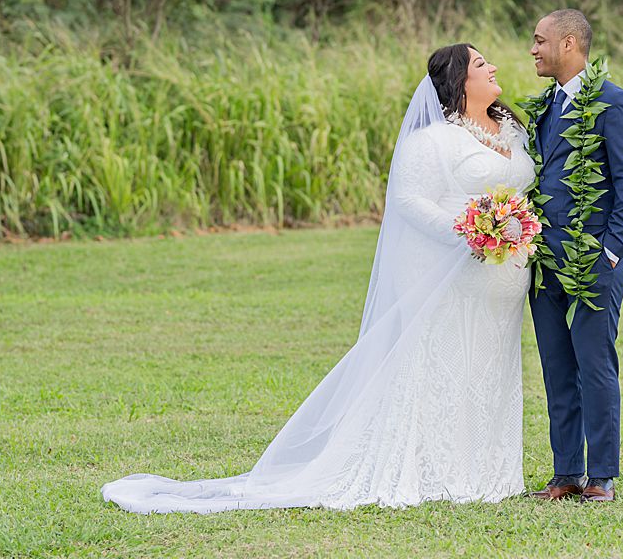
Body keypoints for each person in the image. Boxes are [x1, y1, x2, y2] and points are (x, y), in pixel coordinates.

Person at [101, 44, 534, 513]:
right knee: (446, 368)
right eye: (479, 63)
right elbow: (409, 202)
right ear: (457, 81)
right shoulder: (431, 141)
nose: (491, 67)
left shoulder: (512, 132)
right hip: (453, 278)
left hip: (506, 282)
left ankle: (487, 469)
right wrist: (467, 234)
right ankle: (436, 469)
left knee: (489, 370)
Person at [527, 9, 623, 503]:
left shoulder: (614, 104)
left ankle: (601, 475)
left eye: (539, 40)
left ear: (570, 43)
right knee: (557, 367)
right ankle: (565, 473)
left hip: (596, 260)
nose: (532, 49)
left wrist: (612, 253)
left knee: (594, 364)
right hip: (543, 262)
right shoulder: (542, 108)